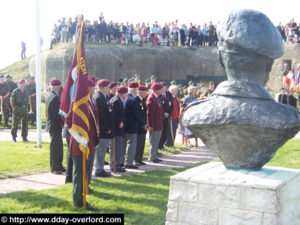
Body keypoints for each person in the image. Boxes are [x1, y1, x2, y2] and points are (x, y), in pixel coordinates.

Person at [66, 79, 99, 211]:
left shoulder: (91, 101)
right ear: (87, 88)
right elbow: (68, 122)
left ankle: (83, 194)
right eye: (92, 87)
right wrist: (79, 138)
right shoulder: (78, 103)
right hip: (80, 145)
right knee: (79, 174)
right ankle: (78, 201)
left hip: (89, 143)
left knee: (87, 172)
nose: (94, 89)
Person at [123, 82, 146, 168]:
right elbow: (136, 114)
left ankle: (125, 161)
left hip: (127, 125)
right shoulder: (132, 99)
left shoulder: (127, 97)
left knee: (127, 144)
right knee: (131, 145)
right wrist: (143, 123)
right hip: (131, 125)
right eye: (137, 89)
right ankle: (129, 163)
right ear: (135, 89)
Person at [45, 78, 65, 174]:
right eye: (60, 86)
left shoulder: (49, 95)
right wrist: (62, 122)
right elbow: (57, 114)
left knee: (59, 146)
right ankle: (54, 167)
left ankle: (59, 164)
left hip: (53, 124)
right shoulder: (55, 97)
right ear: (57, 87)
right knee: (55, 147)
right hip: (55, 124)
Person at [94, 79, 113, 177]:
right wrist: (106, 128)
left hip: (105, 128)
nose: (109, 89)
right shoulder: (99, 98)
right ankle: (99, 169)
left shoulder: (103, 97)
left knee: (102, 149)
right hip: (102, 130)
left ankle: (100, 168)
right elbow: (101, 116)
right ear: (105, 87)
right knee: (100, 150)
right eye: (108, 87)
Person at [110, 86, 127, 173]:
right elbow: (114, 114)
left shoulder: (118, 100)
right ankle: (114, 165)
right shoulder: (116, 100)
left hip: (119, 128)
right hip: (117, 128)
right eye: (125, 93)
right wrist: (119, 121)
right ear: (123, 94)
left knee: (119, 147)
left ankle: (117, 164)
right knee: (116, 147)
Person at [146, 83, 164, 163]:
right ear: (156, 90)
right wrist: (150, 124)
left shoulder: (156, 98)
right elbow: (150, 113)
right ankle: (152, 156)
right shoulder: (151, 98)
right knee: (153, 141)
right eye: (160, 89)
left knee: (156, 141)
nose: (161, 90)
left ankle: (155, 155)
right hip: (154, 124)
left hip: (158, 123)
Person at [134, 85, 148, 166]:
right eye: (145, 91)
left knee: (142, 143)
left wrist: (146, 123)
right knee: (138, 143)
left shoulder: (143, 100)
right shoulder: (136, 100)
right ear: (141, 92)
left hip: (143, 125)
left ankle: (140, 159)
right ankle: (136, 159)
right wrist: (143, 123)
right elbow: (137, 114)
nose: (146, 93)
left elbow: (144, 113)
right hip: (139, 125)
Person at [158, 82, 174, 149]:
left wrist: (168, 113)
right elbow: (159, 106)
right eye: (161, 87)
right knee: (160, 131)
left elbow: (171, 106)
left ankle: (162, 145)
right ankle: (159, 145)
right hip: (161, 116)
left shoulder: (169, 94)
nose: (163, 88)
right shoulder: (158, 95)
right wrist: (163, 113)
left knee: (166, 131)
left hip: (167, 116)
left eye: (164, 86)